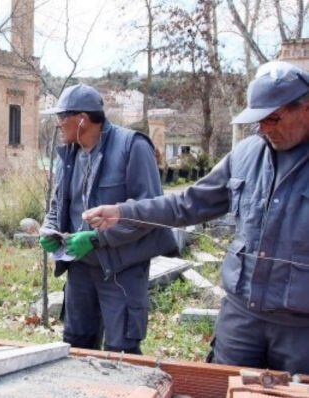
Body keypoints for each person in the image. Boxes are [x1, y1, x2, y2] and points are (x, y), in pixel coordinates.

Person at [83, 61, 309, 374]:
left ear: (306, 109)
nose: (264, 129)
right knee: (220, 388)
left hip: (300, 333)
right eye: (258, 121)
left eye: (273, 118)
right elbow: (187, 204)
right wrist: (123, 212)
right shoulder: (246, 155)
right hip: (240, 321)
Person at [39, 83, 176, 354]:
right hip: (79, 267)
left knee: (120, 350)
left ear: (82, 119)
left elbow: (150, 212)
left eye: (62, 118)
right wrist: (51, 229)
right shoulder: (70, 154)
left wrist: (97, 238)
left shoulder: (132, 147)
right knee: (76, 343)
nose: (58, 125)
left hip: (120, 269)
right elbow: (58, 203)